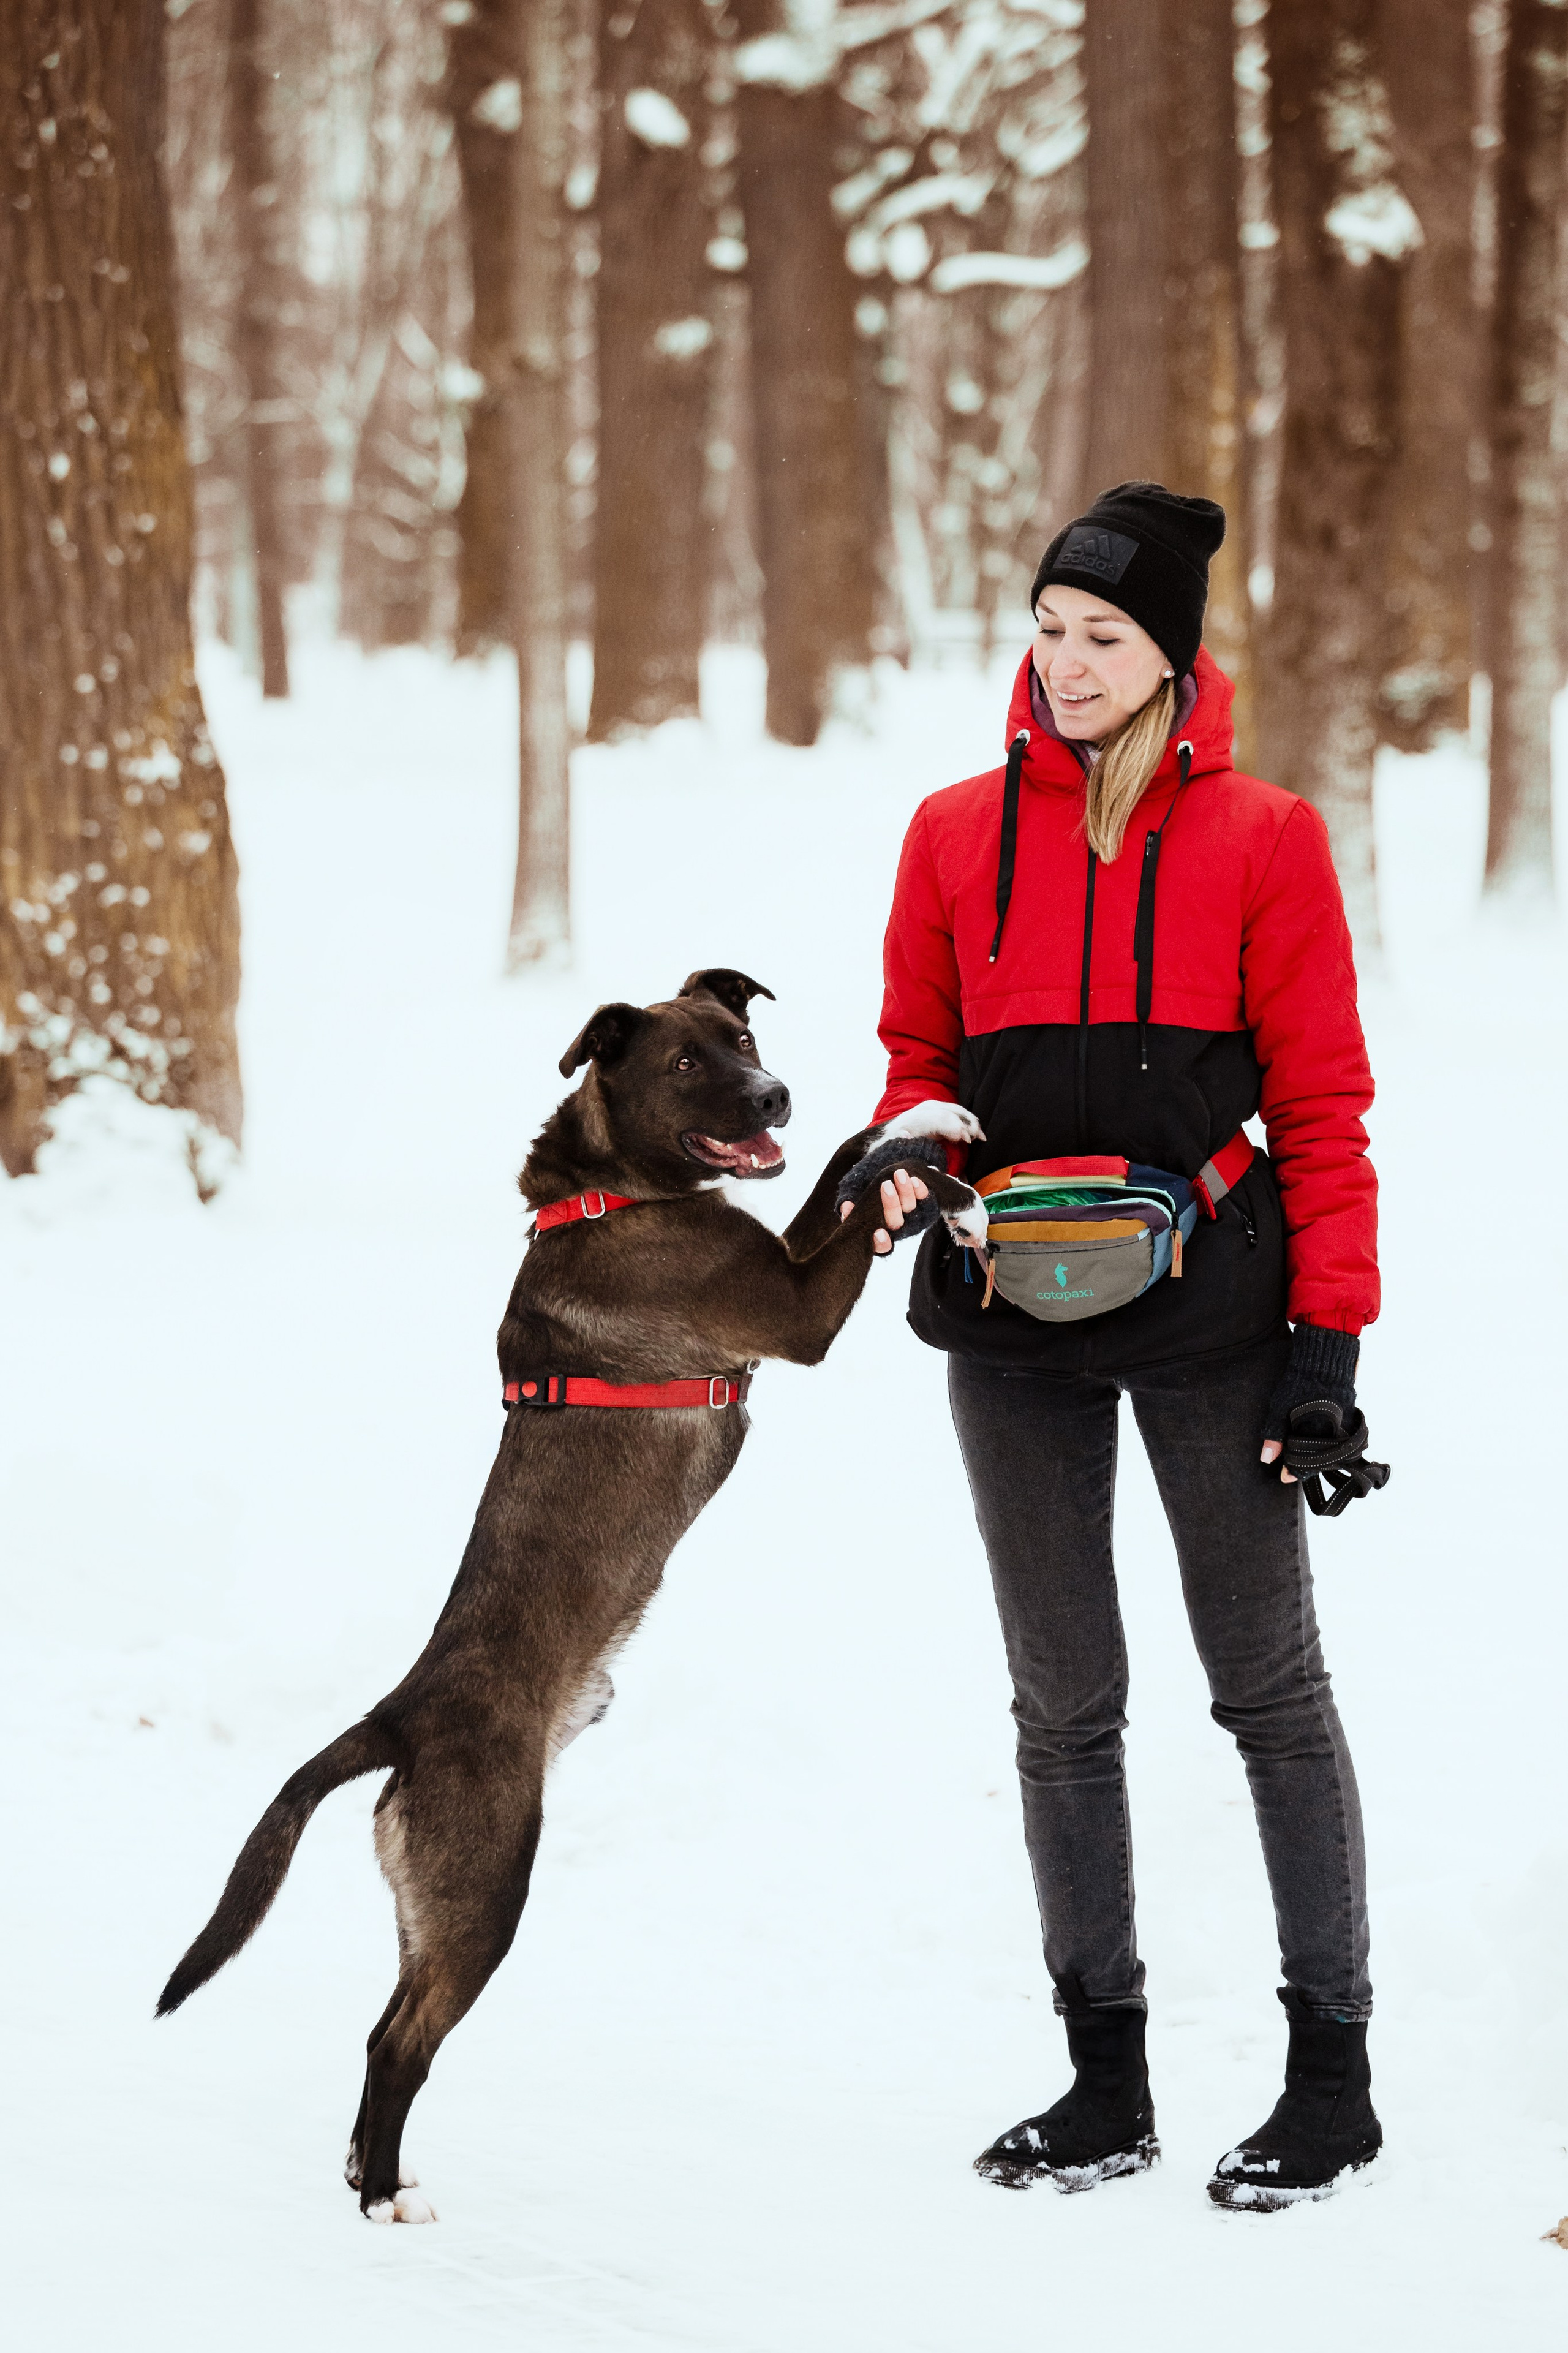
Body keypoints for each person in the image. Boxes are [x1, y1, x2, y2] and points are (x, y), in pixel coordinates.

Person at [840, 482, 1384, 2211]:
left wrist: (1330, 1349)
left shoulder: (1267, 840)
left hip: (1221, 1314)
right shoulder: (948, 832)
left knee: (1268, 1694)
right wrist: (914, 1134)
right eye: (1050, 628)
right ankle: (1106, 2076)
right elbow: (915, 1046)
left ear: (1171, 661)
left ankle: (1334, 2080)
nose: (1065, 664)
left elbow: (1323, 1107)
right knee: (1063, 1705)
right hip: (1014, 1318)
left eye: (1106, 637)